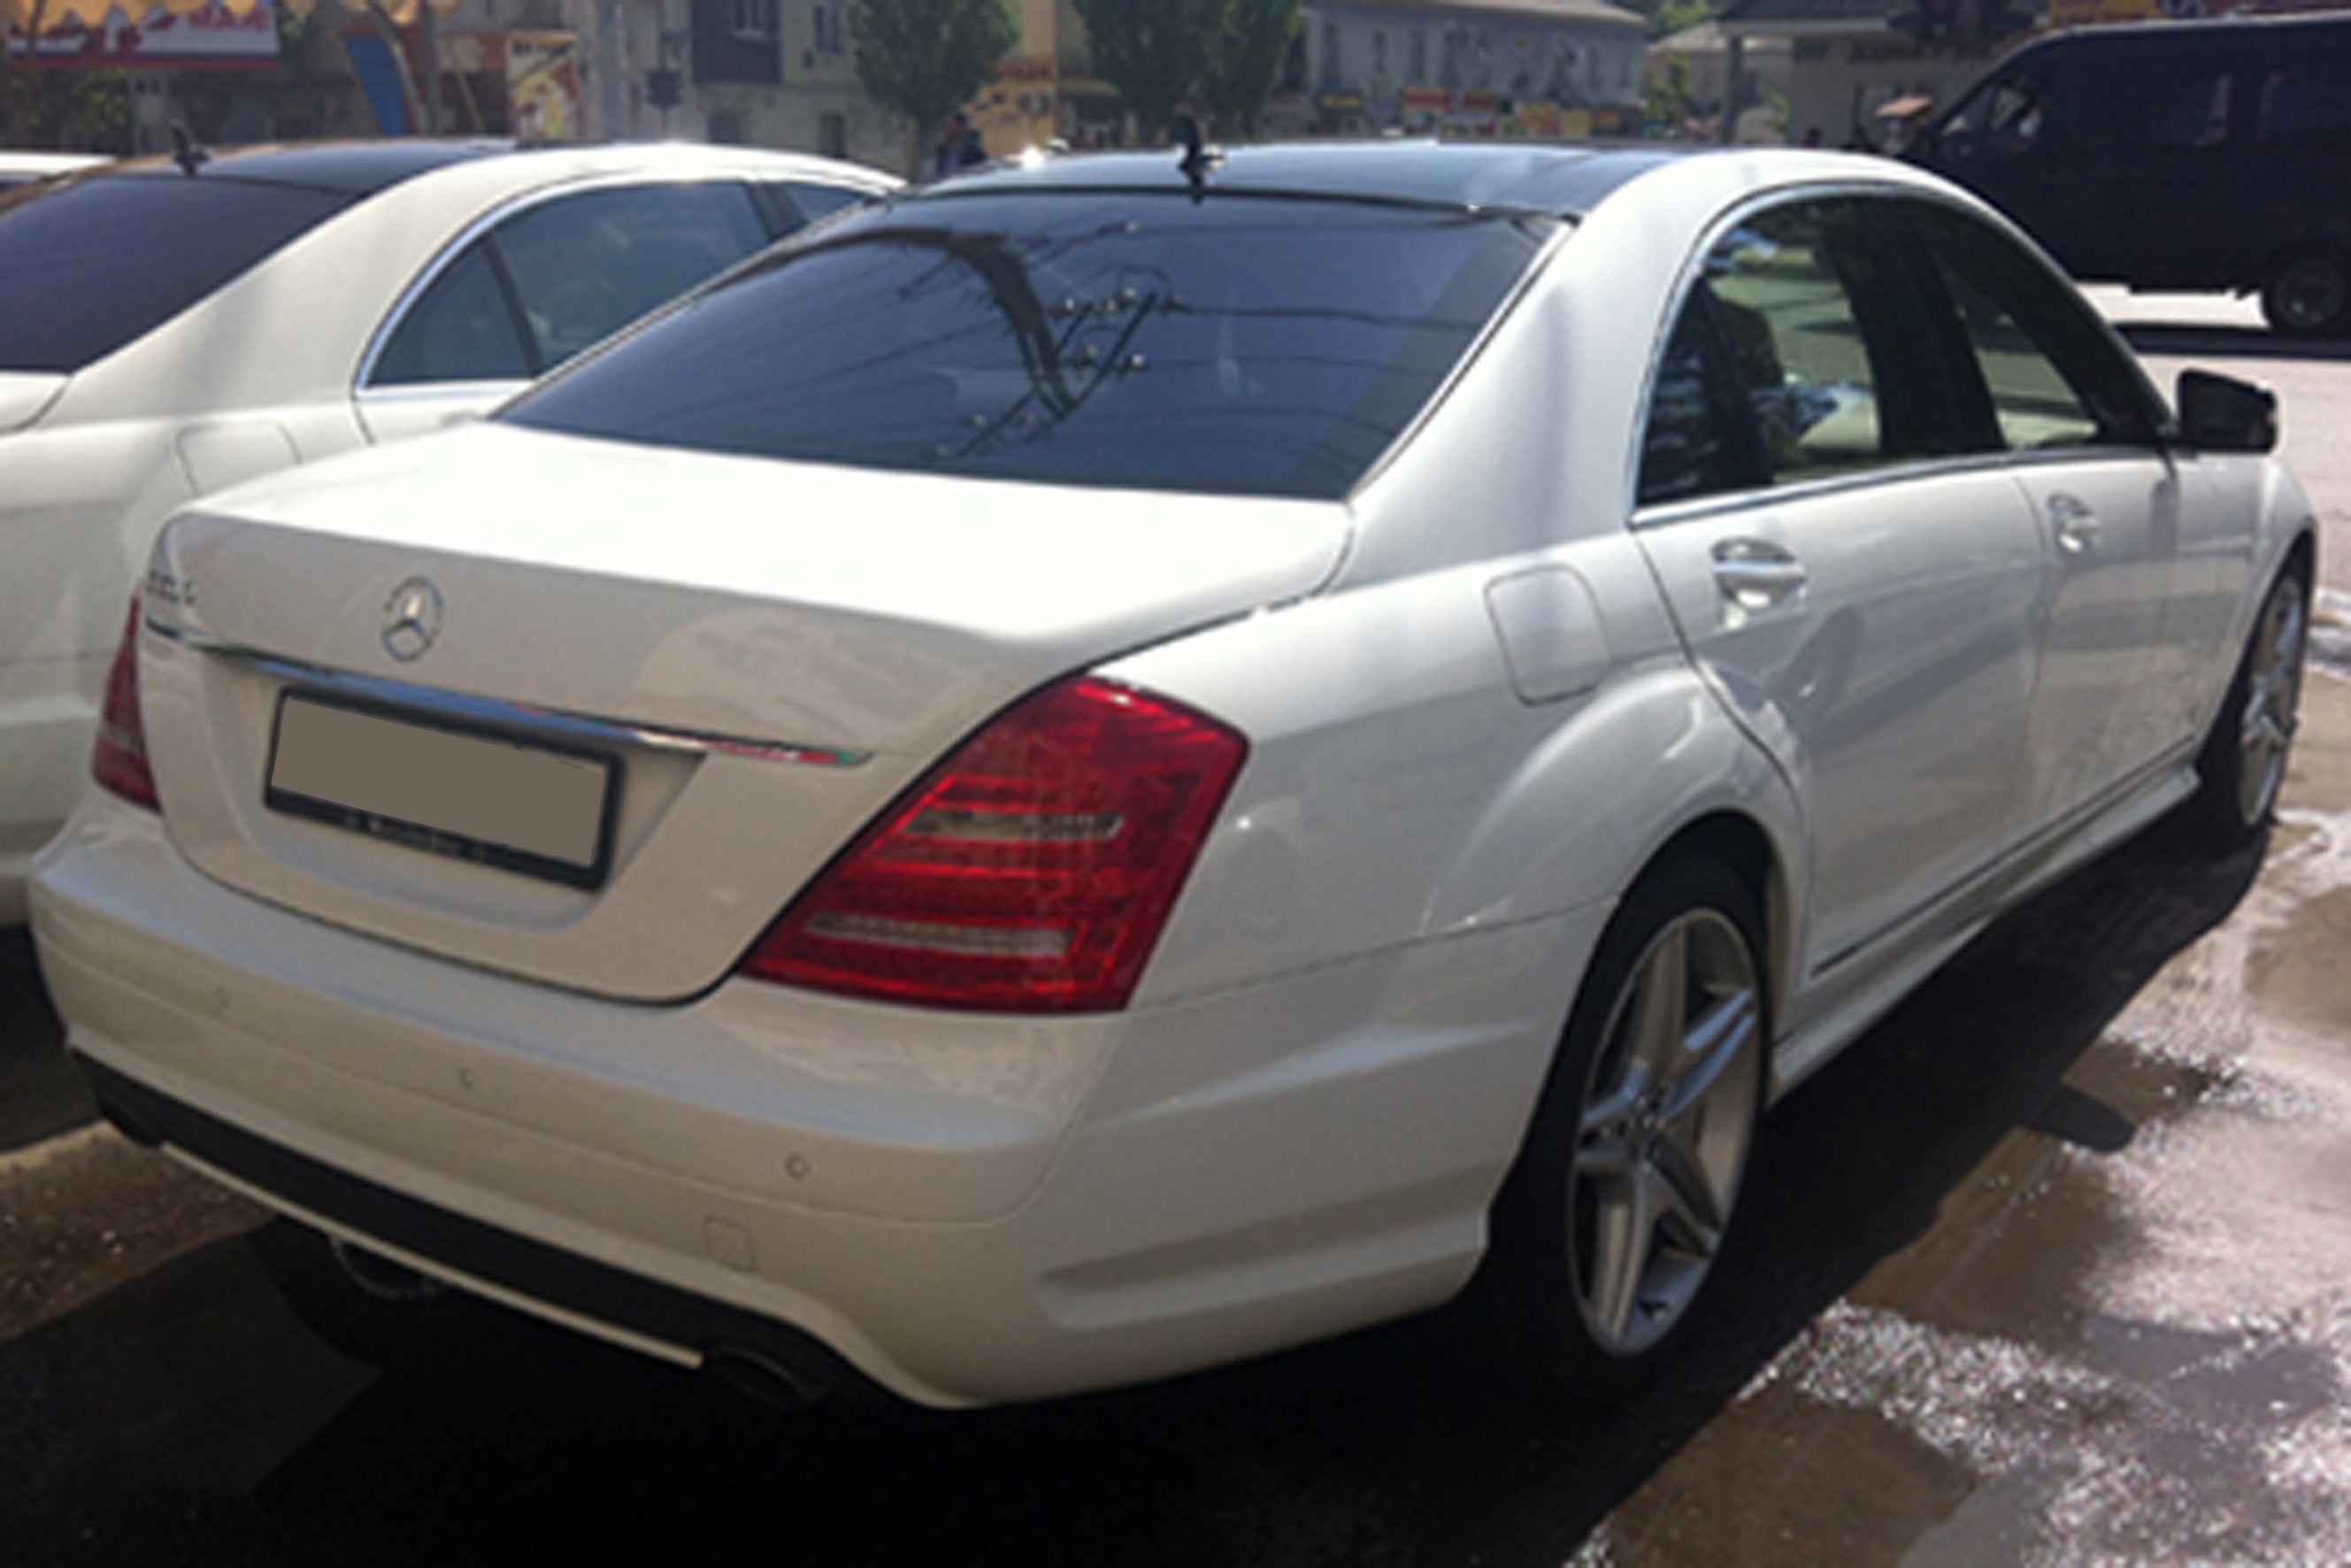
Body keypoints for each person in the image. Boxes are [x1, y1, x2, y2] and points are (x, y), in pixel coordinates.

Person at [933, 112, 987, 177]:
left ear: (961, 126)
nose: (946, 128)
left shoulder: (973, 151)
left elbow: (982, 170)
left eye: (951, 125)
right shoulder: (942, 150)